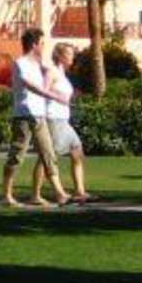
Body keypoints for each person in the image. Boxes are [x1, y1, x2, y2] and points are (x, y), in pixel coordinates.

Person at [1, 28, 68, 208]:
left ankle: (59, 193)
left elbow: (48, 79)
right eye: (42, 43)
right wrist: (54, 96)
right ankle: (7, 195)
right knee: (17, 156)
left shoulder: (38, 65)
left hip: (39, 115)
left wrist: (59, 89)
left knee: (48, 153)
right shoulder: (20, 63)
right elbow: (31, 86)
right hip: (23, 116)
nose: (44, 46)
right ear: (34, 44)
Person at [41, 43, 91, 205]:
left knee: (77, 152)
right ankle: (40, 193)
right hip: (53, 118)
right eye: (69, 54)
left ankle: (80, 191)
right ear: (60, 56)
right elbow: (42, 91)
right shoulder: (52, 71)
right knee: (49, 157)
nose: (72, 57)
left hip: (64, 119)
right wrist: (57, 97)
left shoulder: (63, 74)